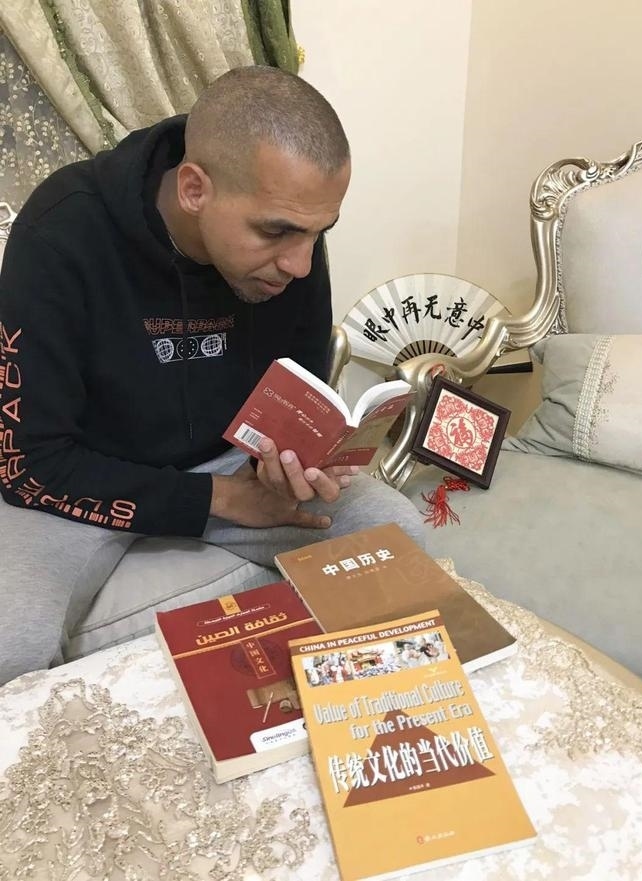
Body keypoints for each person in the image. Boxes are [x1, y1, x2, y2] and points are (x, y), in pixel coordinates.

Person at [0, 66, 425, 685]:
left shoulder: (294, 247)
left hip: (231, 461)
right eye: (276, 231)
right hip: (86, 474)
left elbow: (295, 392)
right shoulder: (62, 234)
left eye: (318, 233)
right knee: (8, 639)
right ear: (195, 189)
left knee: (395, 540)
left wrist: (289, 463)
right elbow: (28, 462)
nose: (301, 265)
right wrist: (220, 500)